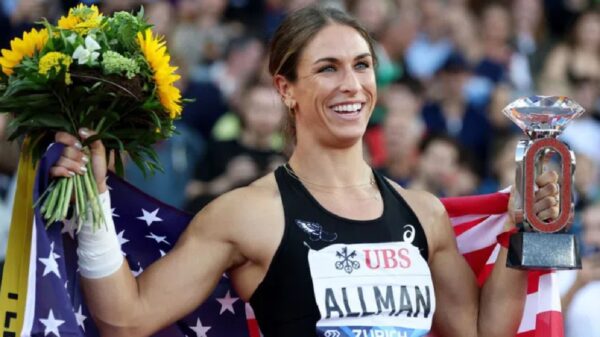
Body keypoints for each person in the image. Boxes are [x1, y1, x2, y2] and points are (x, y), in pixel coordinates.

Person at [50, 5, 560, 337]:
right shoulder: (248, 214)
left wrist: (522, 231)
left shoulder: (424, 214)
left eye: (361, 65)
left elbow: (480, 333)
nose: (352, 85)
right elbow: (126, 320)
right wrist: (93, 203)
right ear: (285, 89)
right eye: (327, 68)